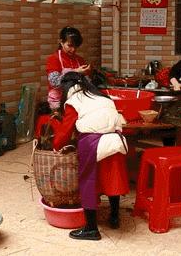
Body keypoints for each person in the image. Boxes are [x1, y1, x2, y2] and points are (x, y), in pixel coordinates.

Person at [52, 72, 129, 241]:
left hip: (92, 142)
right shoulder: (103, 97)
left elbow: (65, 131)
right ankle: (114, 217)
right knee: (111, 178)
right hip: (115, 139)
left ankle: (91, 228)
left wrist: (56, 145)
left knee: (88, 182)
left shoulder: (73, 101)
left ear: (66, 87)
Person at [46, 26, 91, 110]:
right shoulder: (53, 59)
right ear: (61, 42)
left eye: (76, 46)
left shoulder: (80, 60)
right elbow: (54, 82)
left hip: (78, 99)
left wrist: (87, 75)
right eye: (69, 45)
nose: (73, 49)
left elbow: (87, 83)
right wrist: (75, 72)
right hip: (59, 102)